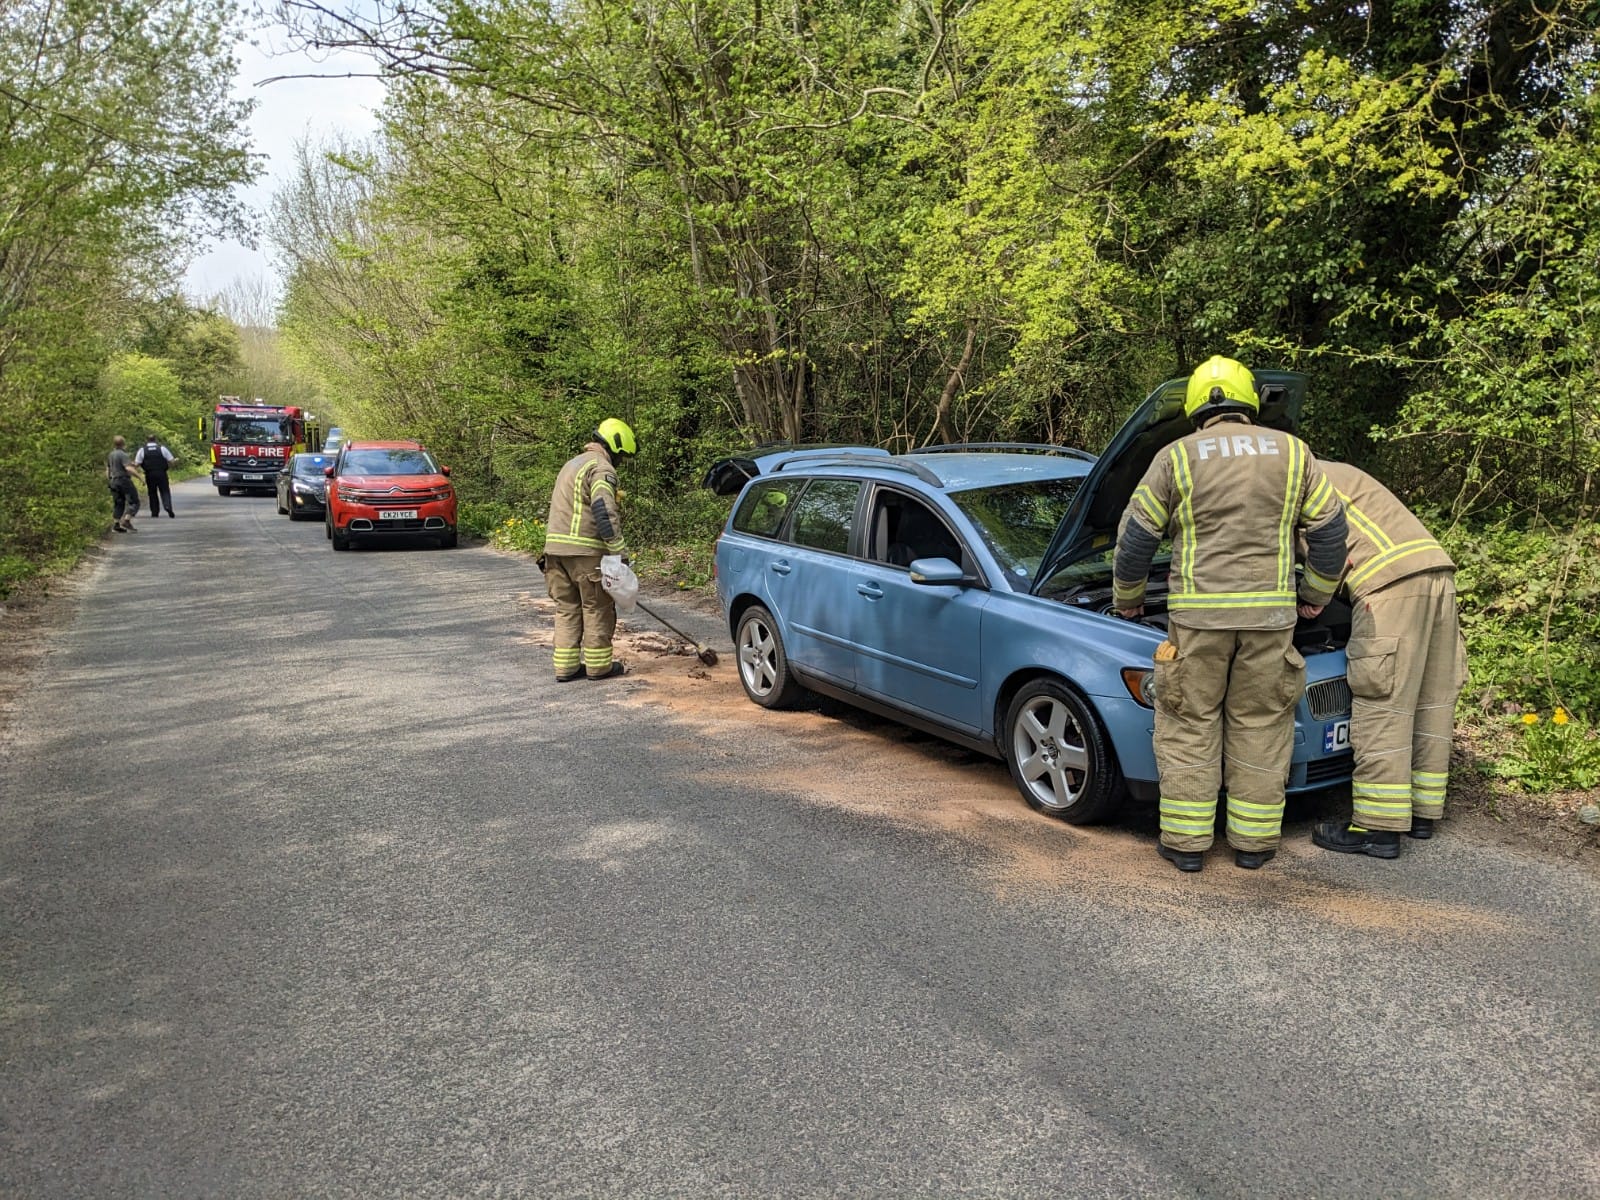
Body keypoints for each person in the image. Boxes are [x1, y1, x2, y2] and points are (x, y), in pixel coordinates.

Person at [1114, 356, 1349, 872]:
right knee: (1262, 722)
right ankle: (1254, 843)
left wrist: (1129, 598)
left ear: (1198, 406)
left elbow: (1135, 539)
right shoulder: (1293, 453)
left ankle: (1186, 844)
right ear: (1249, 402)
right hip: (1270, 620)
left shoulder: (1175, 457)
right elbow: (1331, 532)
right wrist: (1316, 592)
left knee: (1189, 721)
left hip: (1198, 620)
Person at [1307, 462, 1468, 858]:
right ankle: (1422, 814)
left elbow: (1332, 556)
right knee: (1431, 698)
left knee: (1384, 703)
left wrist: (1311, 596)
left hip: (1386, 583)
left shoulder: (1289, 480)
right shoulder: (1331, 470)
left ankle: (1376, 828)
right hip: (1435, 574)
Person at [542, 418, 636, 681]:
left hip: (554, 554)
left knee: (567, 608)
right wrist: (619, 554)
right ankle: (598, 667)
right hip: (586, 555)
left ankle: (566, 668)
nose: (620, 462)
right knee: (596, 607)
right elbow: (604, 511)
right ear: (615, 447)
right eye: (622, 456)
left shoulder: (571, 465)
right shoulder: (601, 468)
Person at [106, 435, 144, 533]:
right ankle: (126, 520)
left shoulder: (111, 454)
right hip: (123, 480)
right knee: (134, 501)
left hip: (113, 481)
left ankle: (116, 524)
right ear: (123, 444)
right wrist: (140, 478)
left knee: (118, 503)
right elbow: (128, 468)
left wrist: (109, 481)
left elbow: (108, 469)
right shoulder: (123, 454)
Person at [134, 433, 177, 518]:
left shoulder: (142, 450)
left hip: (149, 474)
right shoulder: (162, 448)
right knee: (165, 491)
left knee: (152, 493)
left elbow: (137, 464)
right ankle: (167, 506)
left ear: (147, 440)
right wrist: (175, 461)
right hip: (161, 473)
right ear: (155, 440)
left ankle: (154, 512)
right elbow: (171, 461)